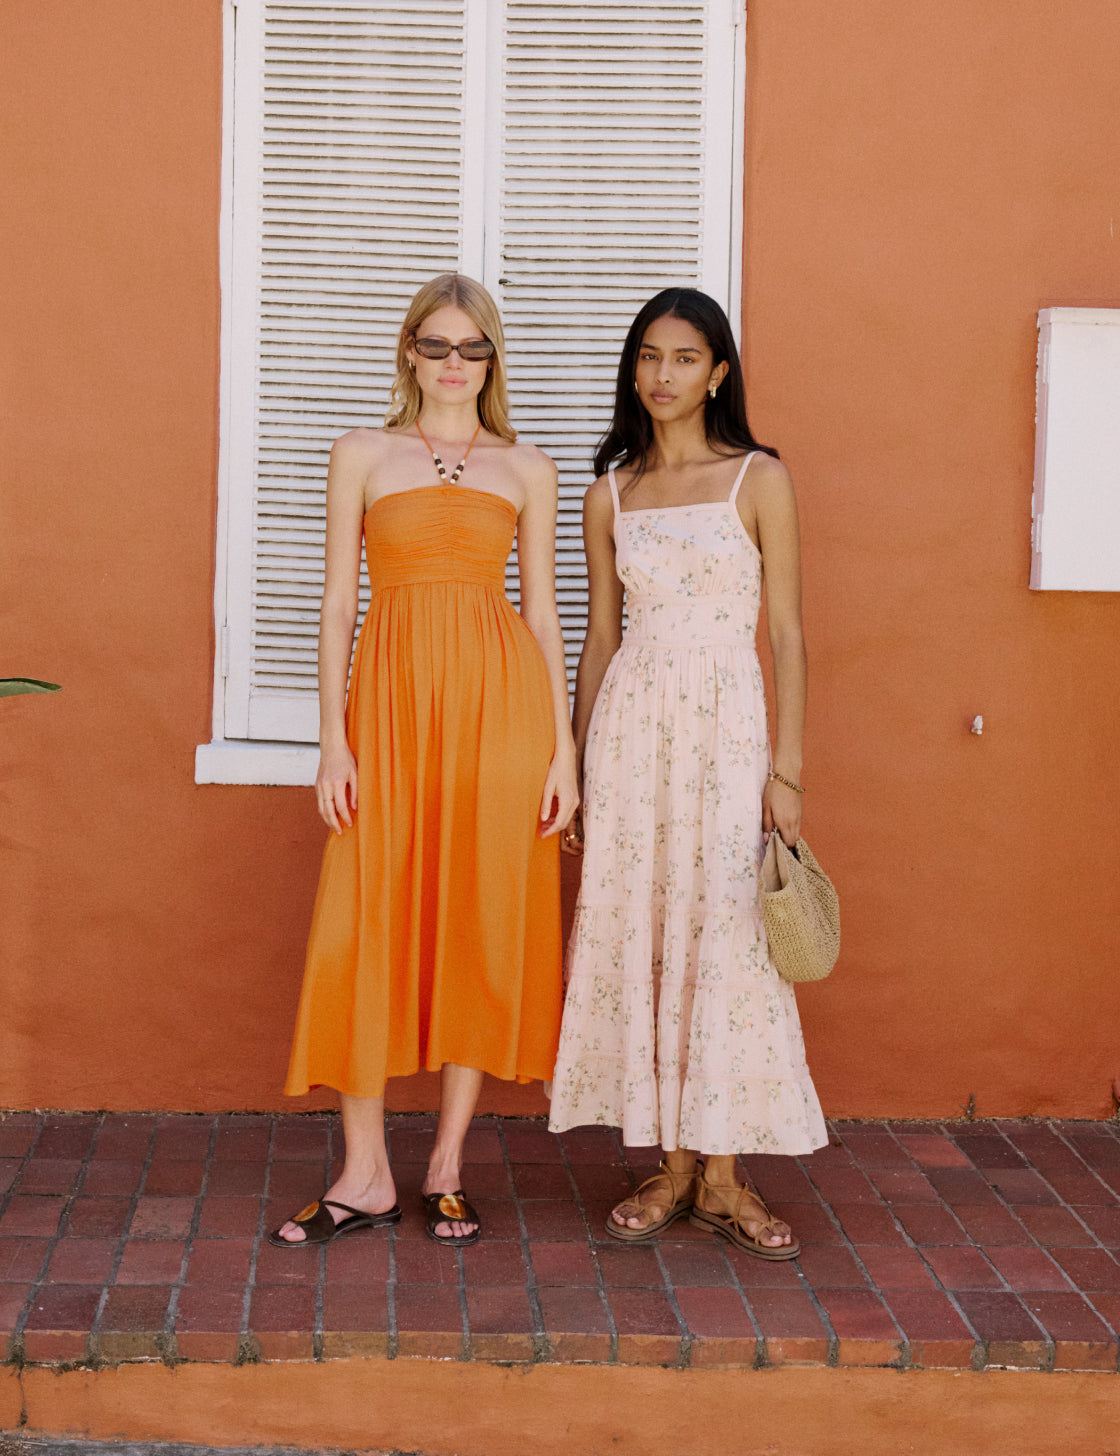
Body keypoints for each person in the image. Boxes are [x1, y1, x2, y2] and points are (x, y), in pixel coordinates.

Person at [275, 274, 578, 1249]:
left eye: (472, 347)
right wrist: (332, 736)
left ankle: (446, 1166)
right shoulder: (360, 453)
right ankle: (363, 1174)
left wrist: (561, 750)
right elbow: (336, 604)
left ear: (491, 361)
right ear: (409, 351)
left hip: (501, 717)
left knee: (479, 920)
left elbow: (539, 611)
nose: (454, 362)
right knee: (362, 923)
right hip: (390, 712)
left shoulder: (526, 466)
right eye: (436, 344)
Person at [548, 288, 826, 1258]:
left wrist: (785, 769)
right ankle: (671, 1165)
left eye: (683, 357)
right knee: (648, 925)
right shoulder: (608, 492)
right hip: (632, 733)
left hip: (727, 732)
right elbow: (598, 640)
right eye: (648, 357)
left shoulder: (759, 478)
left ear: (717, 372)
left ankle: (724, 1173)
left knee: (725, 935)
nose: (662, 375)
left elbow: (786, 633)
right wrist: (576, 768)